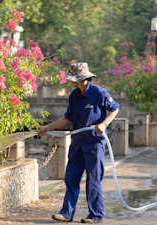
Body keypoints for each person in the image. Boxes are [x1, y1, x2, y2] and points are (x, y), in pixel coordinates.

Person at [38, 62, 120, 223]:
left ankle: (95, 216)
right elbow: (67, 118)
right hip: (77, 143)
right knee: (71, 178)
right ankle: (67, 213)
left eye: (72, 79)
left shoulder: (99, 93)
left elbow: (115, 108)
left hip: (94, 144)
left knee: (93, 179)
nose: (71, 82)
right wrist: (47, 127)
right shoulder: (74, 95)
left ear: (82, 79)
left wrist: (104, 124)